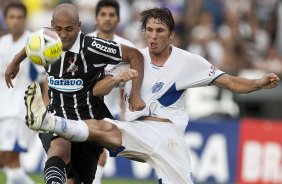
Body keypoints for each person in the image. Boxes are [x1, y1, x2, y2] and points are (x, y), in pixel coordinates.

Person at [22, 7, 280, 184]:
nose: (153, 36)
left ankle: (51, 123)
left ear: (171, 34)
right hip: (136, 130)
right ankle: (49, 122)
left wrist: (259, 83)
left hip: (167, 137)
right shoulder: (134, 57)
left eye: (159, 31)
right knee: (103, 127)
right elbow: (96, 90)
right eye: (149, 30)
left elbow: (231, 82)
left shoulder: (188, 62)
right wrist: (115, 80)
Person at [5, 3, 145, 184]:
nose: (63, 34)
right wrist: (15, 61)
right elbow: (31, 44)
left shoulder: (94, 47)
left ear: (79, 26)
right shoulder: (46, 40)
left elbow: (135, 55)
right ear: (52, 25)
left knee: (76, 180)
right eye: (58, 29)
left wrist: (135, 94)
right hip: (56, 117)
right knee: (59, 150)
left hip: (89, 126)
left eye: (69, 29)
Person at [88, 1, 135, 183]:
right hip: (83, 109)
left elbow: (132, 81)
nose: (107, 18)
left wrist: (126, 112)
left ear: (118, 19)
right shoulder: (84, 42)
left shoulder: (127, 48)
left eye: (111, 15)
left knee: (98, 154)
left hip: (111, 111)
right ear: (96, 18)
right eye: (103, 14)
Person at [0, 2, 44, 184]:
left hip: (21, 109)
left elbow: (43, 79)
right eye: (12, 17)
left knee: (8, 157)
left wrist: (45, 108)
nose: (15, 21)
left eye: (19, 17)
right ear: (5, 19)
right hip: (3, 107)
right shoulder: (2, 43)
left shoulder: (34, 44)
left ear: (25, 19)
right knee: (9, 163)